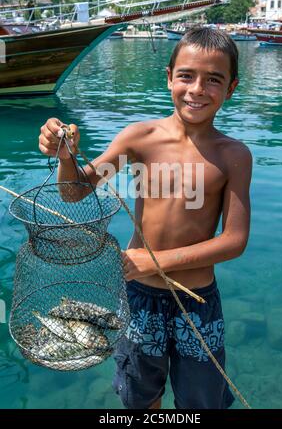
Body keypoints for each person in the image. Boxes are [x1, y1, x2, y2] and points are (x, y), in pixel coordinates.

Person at [38, 27, 252, 409]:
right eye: (186, 75)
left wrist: (153, 262)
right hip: (139, 298)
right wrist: (65, 154)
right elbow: (75, 191)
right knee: (140, 396)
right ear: (169, 77)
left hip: (198, 303)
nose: (197, 89)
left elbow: (234, 240)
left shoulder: (233, 155)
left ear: (230, 88)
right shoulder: (140, 138)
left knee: (202, 400)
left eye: (213, 80)